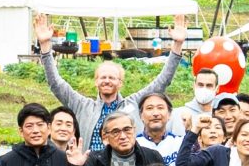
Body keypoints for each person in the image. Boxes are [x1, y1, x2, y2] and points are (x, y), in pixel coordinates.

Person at [34, 11, 187, 151]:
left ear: (120, 83)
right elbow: (56, 84)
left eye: (112, 78)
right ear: (96, 82)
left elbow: (162, 81)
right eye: (103, 77)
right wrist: (45, 46)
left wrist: (177, 45)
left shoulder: (133, 104)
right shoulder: (82, 106)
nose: (107, 81)